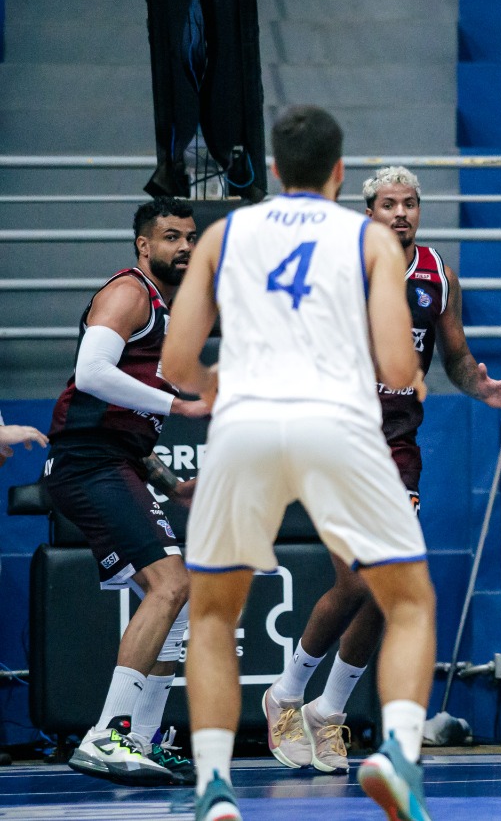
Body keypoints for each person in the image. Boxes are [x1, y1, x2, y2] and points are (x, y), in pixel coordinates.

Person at [164, 106, 439, 821]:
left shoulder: (226, 233)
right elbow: (399, 363)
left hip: (248, 424)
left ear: (277, 171)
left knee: (217, 617)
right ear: (341, 173)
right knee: (407, 600)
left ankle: (214, 787)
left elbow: (175, 360)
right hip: (337, 426)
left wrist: (217, 387)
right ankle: (400, 755)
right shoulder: (368, 241)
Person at [261, 165, 501, 775]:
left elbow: (456, 355)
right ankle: (283, 694)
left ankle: (328, 712)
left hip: (397, 444)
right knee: (360, 580)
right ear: (369, 212)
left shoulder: (437, 275)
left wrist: (480, 388)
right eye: (389, 203)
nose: (402, 213)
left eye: (410, 203)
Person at [42, 198, 207, 787]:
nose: (184, 247)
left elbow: (126, 425)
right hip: (88, 464)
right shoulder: (130, 293)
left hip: (115, 461)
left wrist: (167, 482)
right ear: (144, 245)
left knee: (180, 600)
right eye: (171, 237)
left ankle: (140, 737)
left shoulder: (165, 306)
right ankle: (107, 734)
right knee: (173, 584)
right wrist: (180, 403)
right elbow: (91, 375)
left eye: (190, 237)